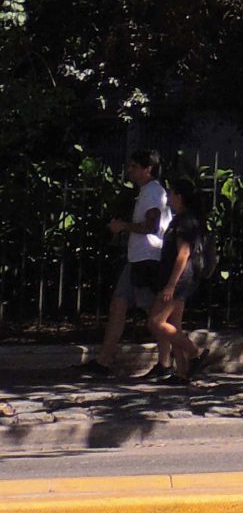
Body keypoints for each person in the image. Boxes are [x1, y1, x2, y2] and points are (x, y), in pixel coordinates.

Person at [84, 151, 168, 377]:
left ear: (147, 168)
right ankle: (103, 362)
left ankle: (169, 361)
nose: (129, 170)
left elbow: (152, 226)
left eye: (133, 166)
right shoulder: (146, 192)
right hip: (136, 258)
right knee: (118, 305)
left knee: (155, 315)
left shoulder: (153, 192)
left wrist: (123, 226)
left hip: (147, 259)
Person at [142, 179, 208, 382]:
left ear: (179, 196)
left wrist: (171, 284)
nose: (168, 197)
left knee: (156, 322)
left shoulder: (184, 221)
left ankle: (195, 353)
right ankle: (183, 372)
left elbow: (183, 253)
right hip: (180, 278)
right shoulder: (183, 218)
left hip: (179, 279)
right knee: (173, 325)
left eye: (170, 194)